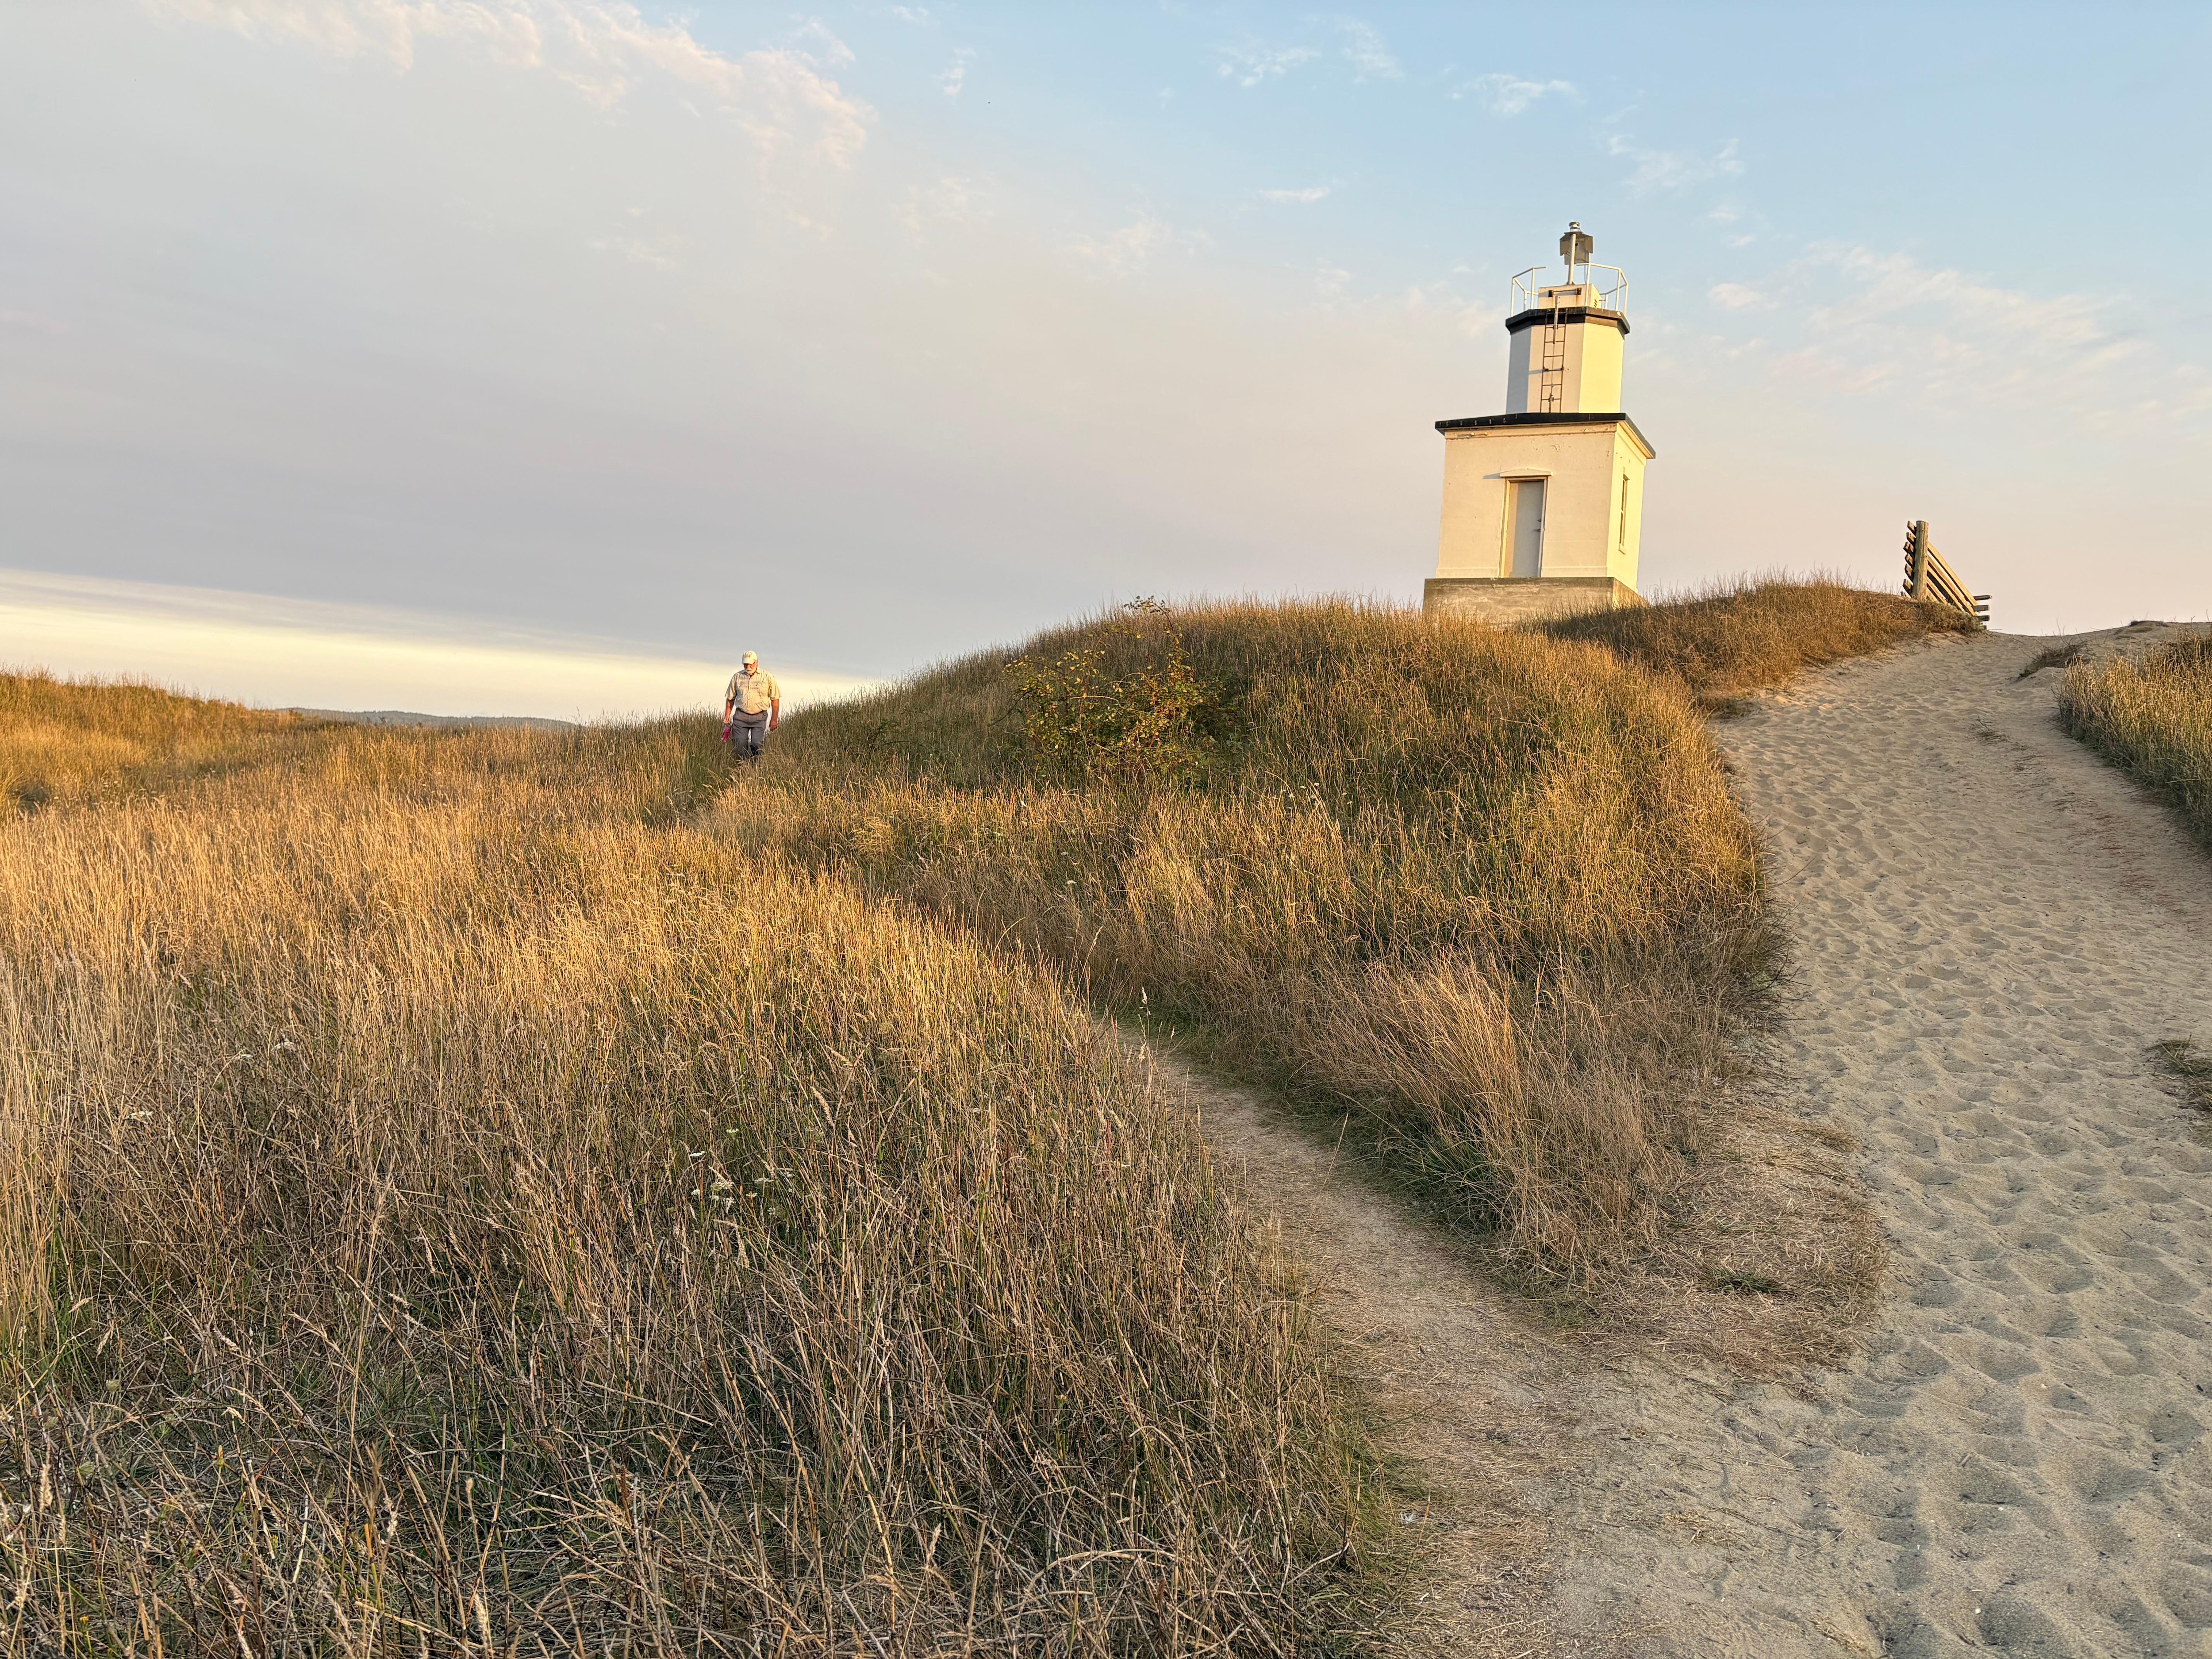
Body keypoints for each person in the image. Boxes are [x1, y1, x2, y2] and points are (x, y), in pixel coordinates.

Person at [722, 651, 781, 764]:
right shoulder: (737, 677)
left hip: (760, 717)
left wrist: (774, 719)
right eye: (745, 664)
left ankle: (757, 768)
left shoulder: (768, 677)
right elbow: (730, 698)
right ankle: (744, 770)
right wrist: (727, 715)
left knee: (757, 744)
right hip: (741, 717)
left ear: (757, 663)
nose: (748, 666)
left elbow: (775, 700)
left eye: (750, 664)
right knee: (740, 744)